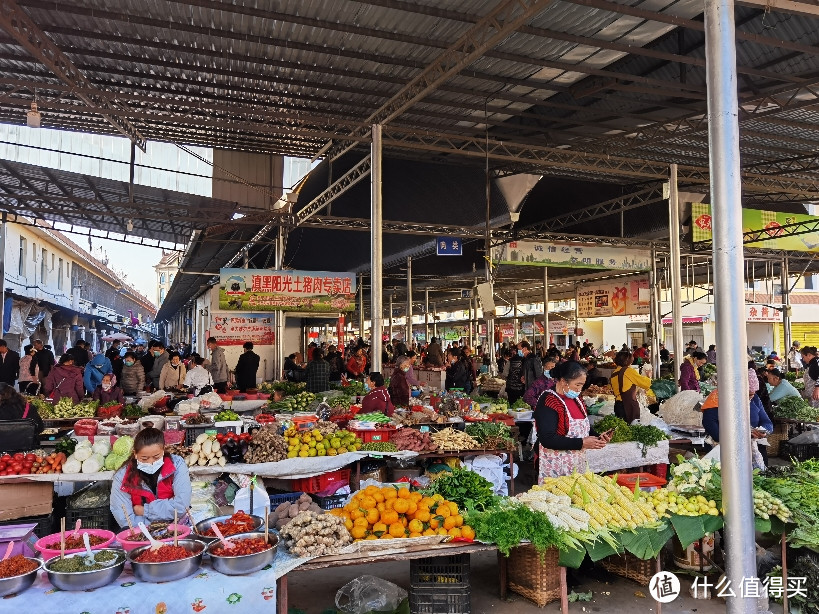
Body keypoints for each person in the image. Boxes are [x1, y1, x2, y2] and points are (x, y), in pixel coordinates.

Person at [534, 361, 610, 481]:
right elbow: (547, 439)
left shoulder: (576, 399)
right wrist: (582, 443)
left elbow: (584, 426)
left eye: (582, 385)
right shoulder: (549, 400)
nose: (579, 389)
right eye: (577, 385)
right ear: (564, 381)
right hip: (555, 468)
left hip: (577, 465)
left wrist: (597, 437)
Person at [110, 427, 192, 529]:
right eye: (144, 458)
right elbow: (125, 519)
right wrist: (157, 528)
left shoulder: (177, 464)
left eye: (156, 457)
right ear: (135, 454)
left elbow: (181, 506)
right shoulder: (122, 477)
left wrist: (144, 510)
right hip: (142, 532)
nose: (151, 462)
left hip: (177, 528)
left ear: (163, 450)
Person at [701, 370, 774, 465]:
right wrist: (747, 434)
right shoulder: (717, 401)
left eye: (752, 394)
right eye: (748, 394)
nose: (750, 398)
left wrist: (763, 431)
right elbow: (715, 432)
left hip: (753, 449)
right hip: (726, 453)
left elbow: (767, 422)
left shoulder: (755, 399)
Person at [610, 351, 652, 423]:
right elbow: (645, 383)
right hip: (628, 406)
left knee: (622, 428)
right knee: (632, 428)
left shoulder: (614, 373)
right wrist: (649, 376)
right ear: (627, 360)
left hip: (618, 405)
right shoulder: (628, 371)